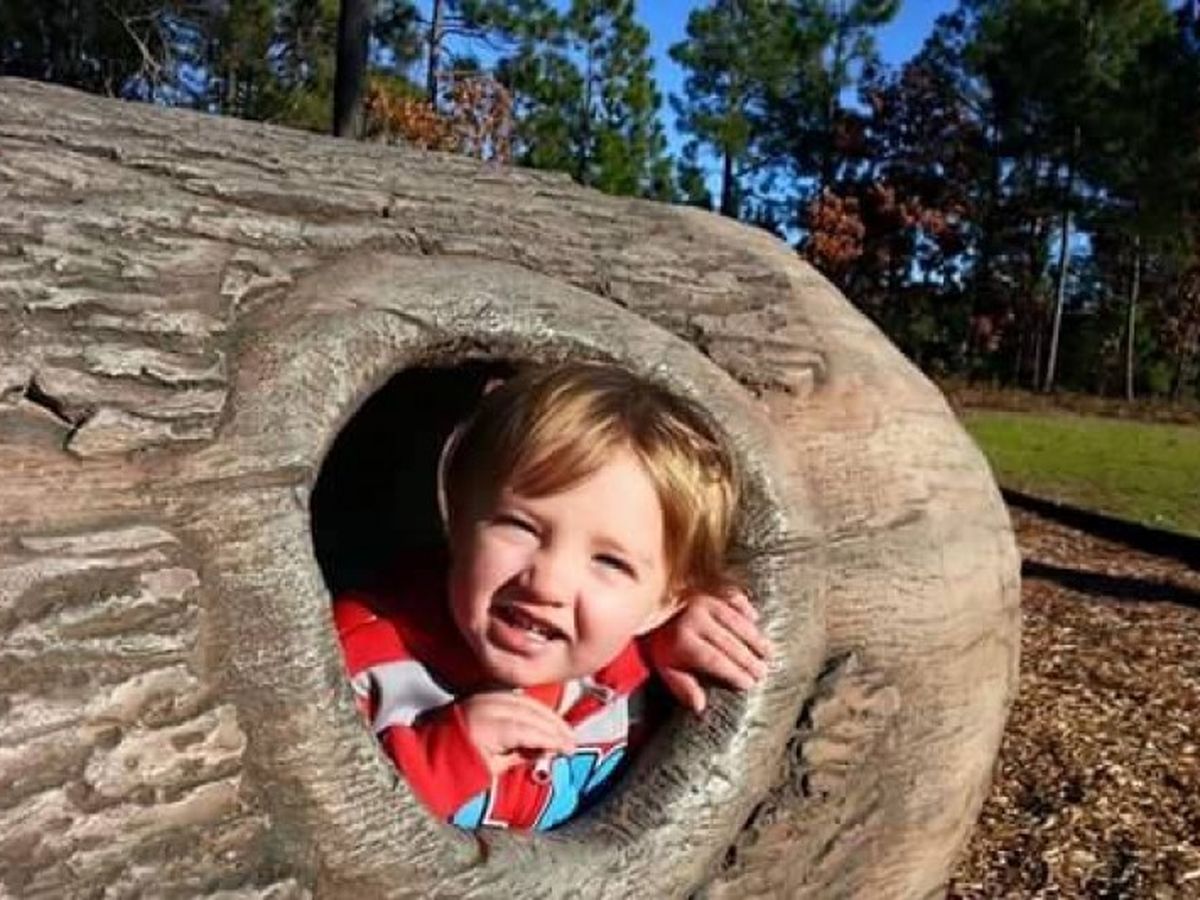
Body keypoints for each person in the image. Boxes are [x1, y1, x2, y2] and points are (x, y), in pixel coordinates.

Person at [333, 362, 769, 831]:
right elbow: (310, 824)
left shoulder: (639, 666)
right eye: (519, 527)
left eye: (611, 562)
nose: (547, 584)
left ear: (664, 603)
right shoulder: (356, 660)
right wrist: (442, 761)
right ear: (455, 516)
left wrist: (676, 633)